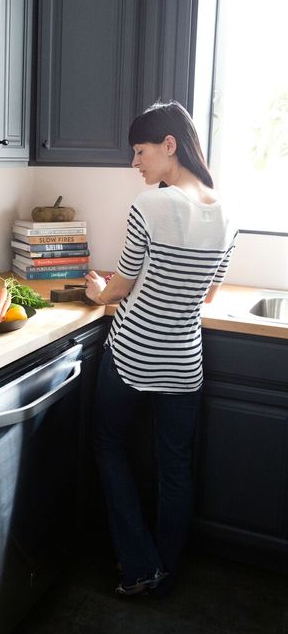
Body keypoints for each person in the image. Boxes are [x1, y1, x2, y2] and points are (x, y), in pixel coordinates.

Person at [85, 100, 238, 598]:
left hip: (131, 355)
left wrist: (96, 291)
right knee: (176, 467)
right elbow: (208, 293)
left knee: (108, 445)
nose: (136, 163)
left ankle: (138, 565)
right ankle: (165, 572)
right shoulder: (226, 215)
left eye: (140, 150)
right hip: (183, 362)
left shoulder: (149, 206)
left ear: (169, 145)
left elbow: (122, 286)